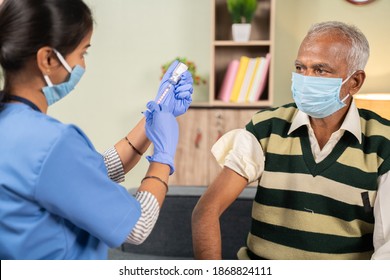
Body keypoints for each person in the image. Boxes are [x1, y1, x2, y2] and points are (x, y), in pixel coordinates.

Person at [0, 0, 193, 259]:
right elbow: (137, 226)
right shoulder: (51, 143)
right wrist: (164, 157)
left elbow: (87, 174)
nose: (83, 65)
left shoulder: (12, 125)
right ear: (47, 59)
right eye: (82, 53)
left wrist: (153, 118)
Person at [192, 21, 390, 260]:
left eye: (320, 70)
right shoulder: (266, 127)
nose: (305, 79)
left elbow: (387, 249)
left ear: (355, 81)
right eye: (300, 67)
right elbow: (206, 210)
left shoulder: (383, 143)